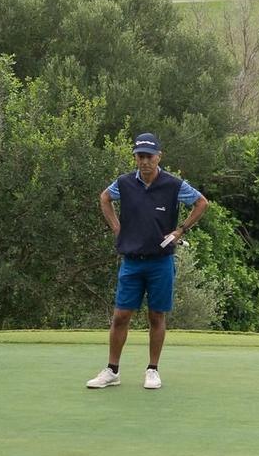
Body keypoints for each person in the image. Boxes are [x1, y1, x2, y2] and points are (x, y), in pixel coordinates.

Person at [86, 133, 209, 391]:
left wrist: (180, 230)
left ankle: (152, 369)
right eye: (140, 156)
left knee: (156, 315)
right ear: (135, 158)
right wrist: (117, 227)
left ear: (158, 157)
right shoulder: (124, 183)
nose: (144, 161)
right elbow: (104, 198)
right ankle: (112, 370)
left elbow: (201, 203)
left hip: (160, 261)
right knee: (121, 315)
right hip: (132, 261)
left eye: (149, 156)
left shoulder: (173, 185)